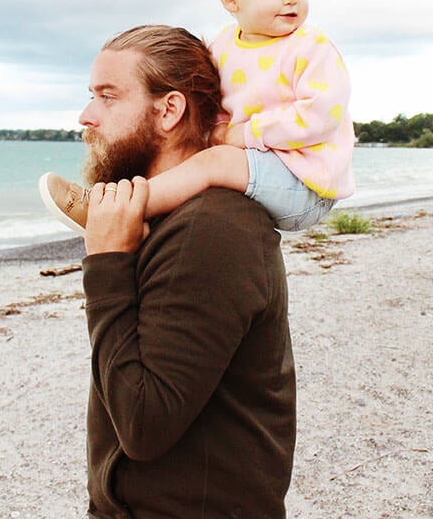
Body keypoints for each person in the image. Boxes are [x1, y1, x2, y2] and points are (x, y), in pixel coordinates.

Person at [75, 25, 296, 517]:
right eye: (91, 97)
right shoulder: (173, 219)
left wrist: (108, 265)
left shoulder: (212, 228)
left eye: (108, 97)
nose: (86, 117)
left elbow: (144, 425)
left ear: (169, 110)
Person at [40, 0, 355, 236]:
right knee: (190, 160)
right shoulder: (223, 45)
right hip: (260, 163)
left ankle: (109, 212)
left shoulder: (311, 47)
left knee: (213, 162)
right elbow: (212, 100)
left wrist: (241, 136)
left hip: (306, 181)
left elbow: (320, 116)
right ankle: (145, 222)